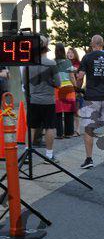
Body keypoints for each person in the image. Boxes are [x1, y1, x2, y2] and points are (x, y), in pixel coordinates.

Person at [76, 35, 104, 169]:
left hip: (91, 97)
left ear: (92, 44)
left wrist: (78, 89)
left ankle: (89, 159)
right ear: (102, 44)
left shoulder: (87, 57)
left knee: (89, 128)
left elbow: (81, 76)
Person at [21, 35, 61, 163]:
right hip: (48, 100)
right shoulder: (51, 64)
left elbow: (24, 83)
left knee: (31, 127)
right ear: (46, 48)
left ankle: (27, 154)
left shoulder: (28, 63)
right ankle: (49, 155)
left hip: (34, 100)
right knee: (50, 127)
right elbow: (58, 83)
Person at [54, 43, 77, 139]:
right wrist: (75, 87)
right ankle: (69, 133)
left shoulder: (53, 62)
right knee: (69, 112)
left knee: (58, 113)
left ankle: (59, 134)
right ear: (64, 51)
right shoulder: (68, 62)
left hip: (57, 89)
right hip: (68, 89)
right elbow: (72, 76)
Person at [67, 47, 82, 136]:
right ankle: (70, 130)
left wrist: (77, 89)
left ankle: (77, 129)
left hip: (75, 89)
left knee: (76, 110)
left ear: (75, 54)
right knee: (69, 111)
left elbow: (80, 77)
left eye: (72, 53)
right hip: (66, 89)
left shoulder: (78, 64)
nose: (70, 54)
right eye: (68, 53)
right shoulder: (65, 63)